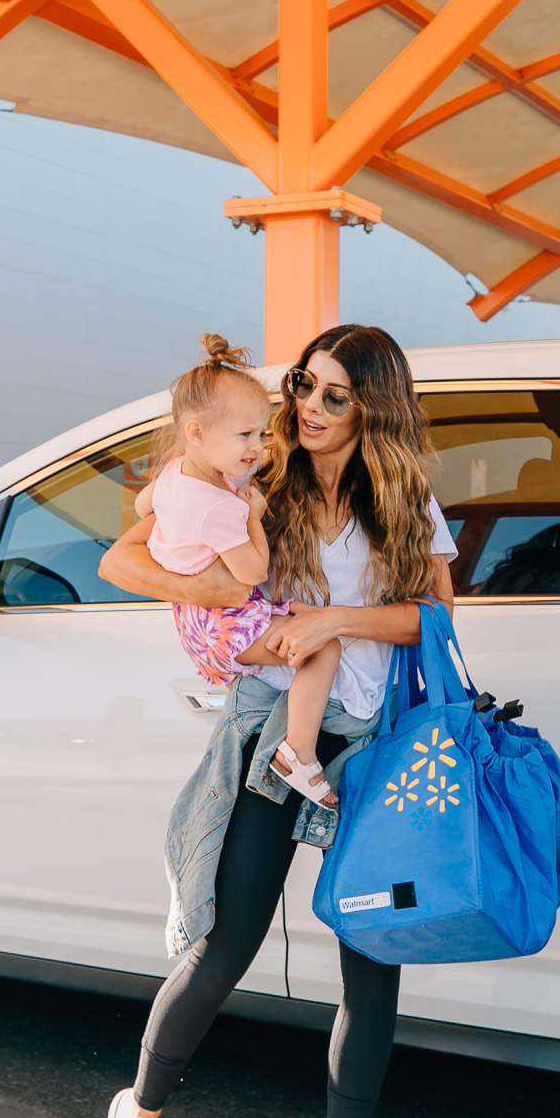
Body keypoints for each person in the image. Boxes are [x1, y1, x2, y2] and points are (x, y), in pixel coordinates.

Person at [92, 324, 456, 1118]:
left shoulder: (405, 498)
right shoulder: (258, 475)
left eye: (337, 395)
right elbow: (124, 559)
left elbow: (437, 615)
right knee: (225, 949)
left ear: (374, 406)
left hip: (370, 754)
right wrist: (225, 597)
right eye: (306, 385)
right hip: (275, 742)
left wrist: (330, 617)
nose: (312, 406)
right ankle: (137, 1117)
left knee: (371, 973)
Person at [133, 334, 342, 803]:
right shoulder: (220, 508)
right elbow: (252, 570)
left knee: (307, 617)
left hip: (196, 620)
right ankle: (297, 753)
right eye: (244, 436)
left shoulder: (173, 475)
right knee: (323, 645)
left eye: (261, 434)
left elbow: (143, 505)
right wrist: (252, 515)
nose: (257, 447)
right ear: (197, 433)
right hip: (225, 625)